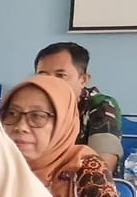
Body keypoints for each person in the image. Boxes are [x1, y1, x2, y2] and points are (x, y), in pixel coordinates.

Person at [0, 75, 129, 197]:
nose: (20, 127)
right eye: (12, 114)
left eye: (38, 116)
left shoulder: (84, 167)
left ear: (63, 121)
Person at [34, 41, 122, 173]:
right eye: (43, 76)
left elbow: (102, 168)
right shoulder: (32, 106)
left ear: (83, 80)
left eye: (61, 76)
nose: (51, 82)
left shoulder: (101, 106)